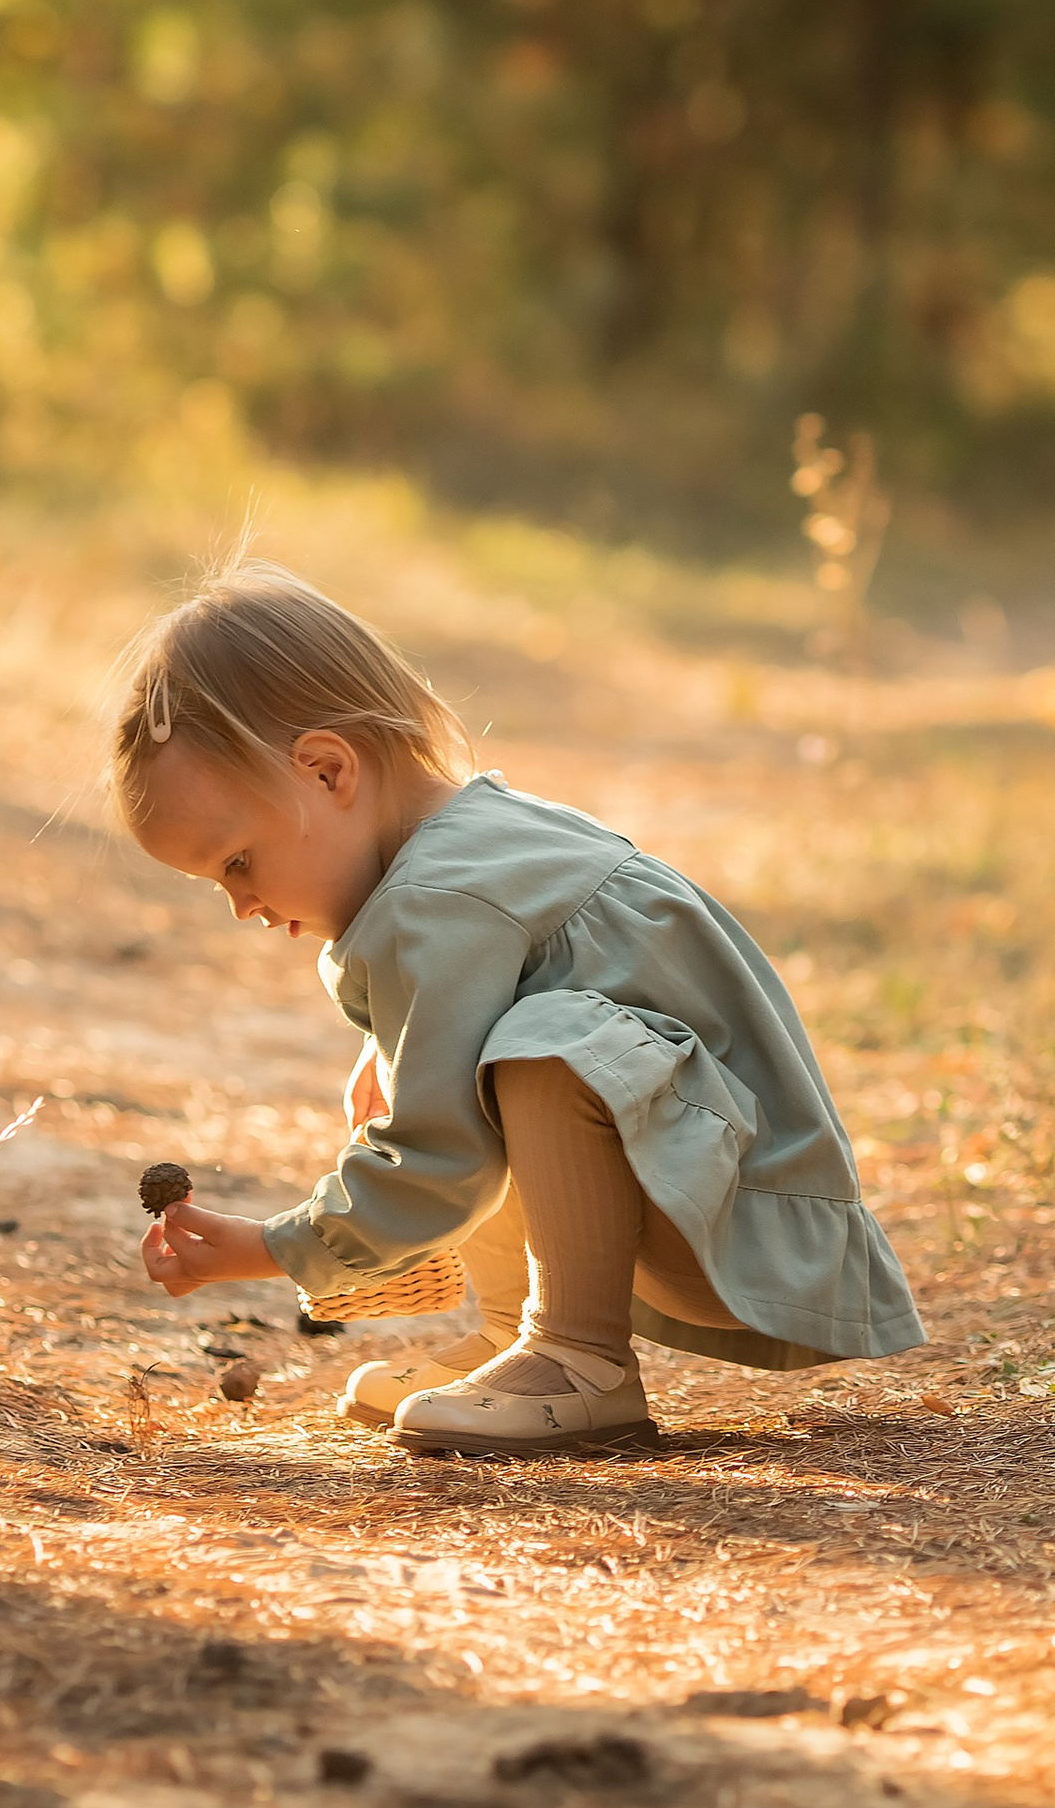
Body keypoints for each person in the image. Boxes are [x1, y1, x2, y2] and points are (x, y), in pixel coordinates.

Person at [116, 559, 921, 1457]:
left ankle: (578, 1358)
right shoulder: (472, 838)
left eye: (237, 863)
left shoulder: (440, 900)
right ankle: (513, 1337)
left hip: (743, 1222)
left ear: (326, 770)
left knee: (534, 1050)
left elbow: (438, 1160)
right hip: (711, 1181)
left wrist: (270, 1246)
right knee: (479, 1052)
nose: (243, 907)